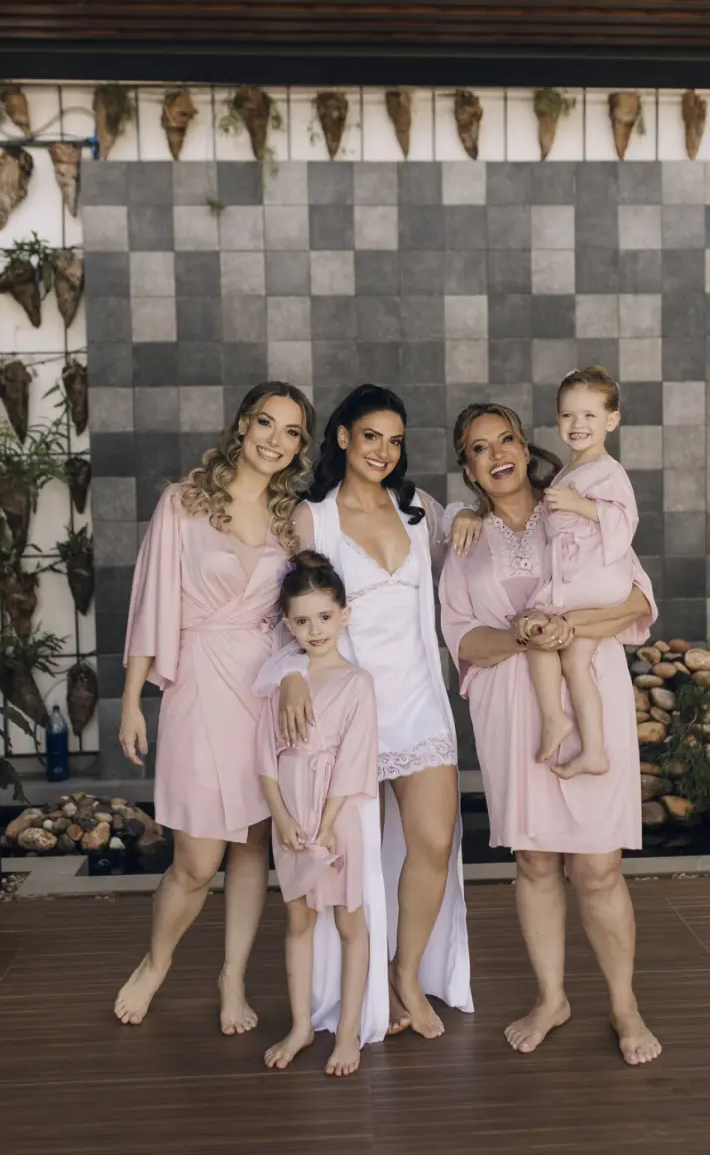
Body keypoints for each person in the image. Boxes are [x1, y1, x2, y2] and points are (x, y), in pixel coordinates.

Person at [439, 401, 662, 1066]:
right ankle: (551, 997)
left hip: (590, 688)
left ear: (525, 445)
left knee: (598, 866)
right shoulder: (465, 541)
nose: (498, 453)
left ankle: (624, 1005)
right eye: (480, 447)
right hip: (512, 707)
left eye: (506, 438)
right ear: (469, 467)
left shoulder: (574, 506)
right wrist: (523, 634)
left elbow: (637, 598)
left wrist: (570, 628)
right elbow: (462, 638)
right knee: (534, 861)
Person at [257, 384, 479, 1041]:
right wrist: (290, 674)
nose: (384, 451)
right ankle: (362, 990)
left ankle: (406, 973)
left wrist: (467, 512)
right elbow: (281, 614)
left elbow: (464, 534)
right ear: (344, 437)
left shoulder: (417, 509)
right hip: (345, 714)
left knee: (433, 841)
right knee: (355, 859)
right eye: (371, 436)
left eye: (395, 440)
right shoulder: (312, 518)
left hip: (418, 701)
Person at [115, 381, 315, 1034]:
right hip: (200, 683)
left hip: (263, 687)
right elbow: (151, 600)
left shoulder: (293, 520)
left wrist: (297, 675)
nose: (275, 440)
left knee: (253, 845)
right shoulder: (184, 501)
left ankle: (233, 977)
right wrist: (132, 700)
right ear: (243, 425)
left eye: (291, 431)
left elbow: (302, 615)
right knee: (198, 861)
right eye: (266, 423)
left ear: (300, 447)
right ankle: (157, 962)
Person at [258, 552, 378, 1078]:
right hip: (290, 811)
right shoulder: (283, 682)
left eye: (325, 617)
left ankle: (347, 1031)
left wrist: (327, 826)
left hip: (337, 816)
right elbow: (263, 757)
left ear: (344, 615)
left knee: (350, 920)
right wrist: (282, 819)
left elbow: (355, 759)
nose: (315, 630)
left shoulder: (357, 683)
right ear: (288, 626)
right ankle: (301, 1025)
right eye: (303, 621)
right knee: (299, 919)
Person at [520, 366, 639, 779]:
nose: (578, 424)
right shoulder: (571, 470)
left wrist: (579, 506)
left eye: (590, 415)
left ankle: (554, 717)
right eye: (568, 415)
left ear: (611, 420)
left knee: (537, 629)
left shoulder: (608, 470)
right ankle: (593, 750)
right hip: (586, 572)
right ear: (557, 418)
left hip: (595, 575)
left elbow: (625, 519)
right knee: (574, 660)